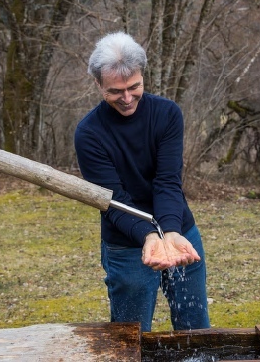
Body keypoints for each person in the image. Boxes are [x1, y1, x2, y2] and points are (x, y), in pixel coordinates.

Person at [74, 31, 210, 332]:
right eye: (115, 91)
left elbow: (167, 181)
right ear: (98, 85)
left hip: (179, 229)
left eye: (134, 87)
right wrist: (149, 236)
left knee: (195, 330)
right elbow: (113, 199)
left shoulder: (167, 115)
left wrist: (171, 231)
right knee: (129, 336)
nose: (126, 98)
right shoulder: (89, 134)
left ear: (142, 76)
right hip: (125, 242)